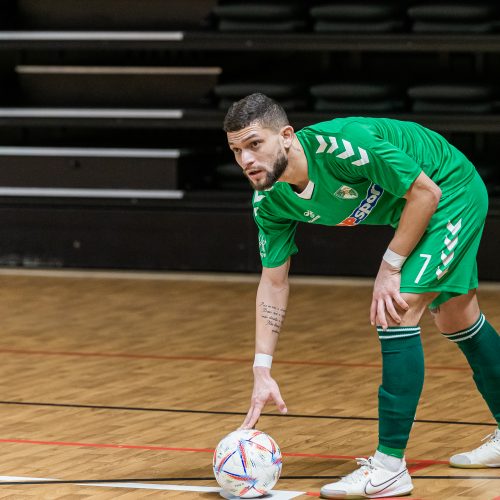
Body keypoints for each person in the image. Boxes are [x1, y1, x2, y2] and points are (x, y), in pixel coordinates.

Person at [223, 93, 500, 499]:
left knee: (395, 310)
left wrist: (389, 268)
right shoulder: (269, 201)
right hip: (417, 206)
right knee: (455, 318)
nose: (245, 160)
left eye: (254, 144)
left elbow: (425, 193)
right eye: (235, 150)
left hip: (449, 190)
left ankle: (389, 468)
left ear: (286, 136)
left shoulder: (342, 146)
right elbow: (274, 282)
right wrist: (261, 367)